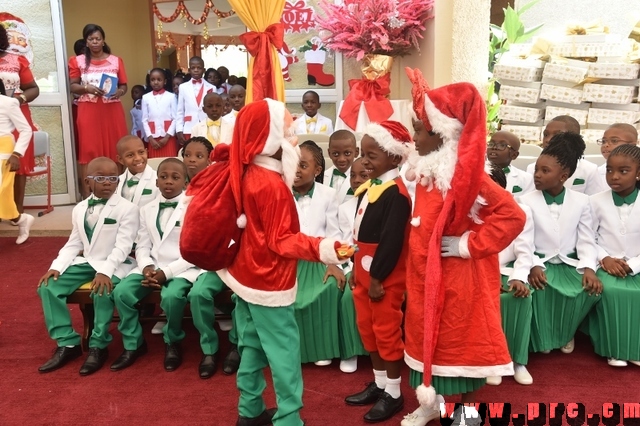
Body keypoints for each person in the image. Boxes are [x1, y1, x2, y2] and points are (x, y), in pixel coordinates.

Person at [400, 69, 525, 426]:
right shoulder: (427, 171)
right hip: (425, 277)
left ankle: (466, 414)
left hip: (461, 281)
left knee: (464, 348)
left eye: (420, 131)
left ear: (442, 136)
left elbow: (512, 216)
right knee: (427, 344)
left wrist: (468, 244)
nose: (414, 138)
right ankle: (430, 404)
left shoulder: (468, 177)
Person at [212, 98, 346, 425]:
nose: (294, 140)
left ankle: (250, 410)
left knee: (251, 345)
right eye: (288, 132)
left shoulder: (245, 172)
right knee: (284, 354)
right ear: (269, 137)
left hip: (243, 277)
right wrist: (327, 248)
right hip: (269, 281)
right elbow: (281, 240)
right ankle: (288, 419)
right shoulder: (271, 184)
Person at [37, 157, 139, 375]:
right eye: (100, 178)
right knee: (48, 286)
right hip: (88, 262)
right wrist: (57, 266)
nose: (107, 183)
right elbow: (74, 242)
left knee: (101, 289)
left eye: (113, 178)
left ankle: (98, 345)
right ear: (87, 182)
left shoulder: (127, 209)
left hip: (115, 264)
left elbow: (123, 247)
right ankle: (68, 343)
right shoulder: (80, 208)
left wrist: (104, 272)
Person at [344, 121, 413, 423]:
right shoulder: (370, 187)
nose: (364, 160)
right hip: (363, 270)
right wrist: (353, 267)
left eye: (372, 155)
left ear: (395, 158)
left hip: (382, 277)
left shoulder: (396, 195)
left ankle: (394, 393)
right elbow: (358, 232)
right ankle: (380, 382)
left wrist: (377, 278)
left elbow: (392, 241)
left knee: (386, 332)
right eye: (363, 153)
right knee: (367, 330)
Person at [111, 158, 201, 372]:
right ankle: (134, 344)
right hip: (151, 266)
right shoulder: (147, 209)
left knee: (171, 297)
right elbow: (142, 245)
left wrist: (166, 272)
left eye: (175, 177)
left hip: (182, 268)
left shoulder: (194, 207)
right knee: (122, 293)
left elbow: (195, 252)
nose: (168, 181)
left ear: (186, 182)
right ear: (156, 182)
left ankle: (173, 341)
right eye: (163, 177)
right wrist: (146, 267)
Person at [521, 132, 602, 356]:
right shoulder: (525, 201)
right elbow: (524, 239)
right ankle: (544, 336)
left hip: (568, 261)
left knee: (587, 289)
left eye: (545, 171)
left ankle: (567, 332)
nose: (537, 175)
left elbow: (586, 238)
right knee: (539, 287)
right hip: (540, 259)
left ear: (563, 176)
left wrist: (588, 267)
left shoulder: (582, 201)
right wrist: (534, 264)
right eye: (537, 169)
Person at [291, 140, 343, 367]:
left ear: (317, 170)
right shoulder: (279, 192)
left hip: (319, 258)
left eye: (303, 166)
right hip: (290, 259)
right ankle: (295, 350)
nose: (296, 171)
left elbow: (333, 231)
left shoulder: (328, 194)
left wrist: (333, 262)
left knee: (328, 288)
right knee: (291, 298)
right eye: (292, 165)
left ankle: (322, 347)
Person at [588, 144, 640, 367]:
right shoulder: (595, 201)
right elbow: (588, 237)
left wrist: (634, 265)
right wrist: (604, 258)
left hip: (636, 264)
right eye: (610, 170)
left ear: (638, 173)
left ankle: (634, 349)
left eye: (623, 171)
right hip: (606, 263)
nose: (614, 176)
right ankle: (614, 349)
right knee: (610, 291)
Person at [486, 166, 535, 387]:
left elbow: (526, 252)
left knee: (519, 296)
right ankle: (490, 361)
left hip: (507, 270)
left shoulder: (520, 210)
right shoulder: (465, 211)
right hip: (475, 272)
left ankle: (517, 361)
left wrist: (519, 278)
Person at [69, 24, 129, 198]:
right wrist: (87, 88)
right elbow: (73, 85)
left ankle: (117, 193)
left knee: (115, 148)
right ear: (86, 42)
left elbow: (124, 85)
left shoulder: (116, 60)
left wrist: (119, 92)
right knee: (88, 149)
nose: (95, 42)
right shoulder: (77, 61)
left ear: (103, 40)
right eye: (91, 39)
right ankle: (88, 194)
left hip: (112, 109)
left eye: (98, 38)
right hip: (88, 109)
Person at [0, 24, 39, 216]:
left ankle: (17, 210)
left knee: (17, 162)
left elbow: (33, 88)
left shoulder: (17, 60)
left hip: (16, 114)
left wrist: (18, 99)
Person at [337, 157, 369, 373]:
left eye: (363, 176)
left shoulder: (387, 201)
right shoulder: (345, 208)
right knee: (349, 297)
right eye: (352, 176)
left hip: (381, 267)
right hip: (355, 266)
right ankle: (352, 350)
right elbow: (345, 245)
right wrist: (349, 268)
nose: (356, 180)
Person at [526, 116, 605, 195]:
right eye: (546, 135)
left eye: (556, 135)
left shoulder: (589, 170)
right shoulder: (532, 168)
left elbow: (595, 200)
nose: (548, 140)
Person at [0, 82, 34, 244]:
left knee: (3, 192)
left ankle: (20, 219)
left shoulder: (8, 103)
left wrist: (16, 153)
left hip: (5, 151)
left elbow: (26, 129)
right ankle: (21, 220)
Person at [176, 57, 215, 146]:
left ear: (204, 70)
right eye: (193, 68)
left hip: (207, 126)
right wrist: (179, 130)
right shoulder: (183, 87)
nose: (196, 70)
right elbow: (180, 111)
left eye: (199, 68)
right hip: (189, 127)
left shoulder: (212, 87)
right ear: (189, 70)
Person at [141, 68, 178, 157]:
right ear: (149, 82)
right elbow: (144, 120)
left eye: (159, 79)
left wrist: (167, 137)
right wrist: (150, 138)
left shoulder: (171, 96)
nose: (156, 82)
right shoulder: (146, 97)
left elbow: (175, 118)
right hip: (153, 138)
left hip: (168, 137)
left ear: (164, 81)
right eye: (153, 80)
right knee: (155, 164)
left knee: (170, 162)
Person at [487, 130, 534, 198]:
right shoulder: (476, 174)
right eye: (491, 144)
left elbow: (527, 204)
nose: (494, 147)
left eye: (502, 145)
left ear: (514, 155)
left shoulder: (526, 179)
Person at [114, 135, 158, 207]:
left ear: (146, 152)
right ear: (120, 160)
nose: (137, 158)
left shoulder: (158, 179)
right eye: (130, 155)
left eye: (141, 152)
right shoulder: (117, 182)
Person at [596, 123, 638, 189]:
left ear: (632, 145)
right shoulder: (596, 173)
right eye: (604, 141)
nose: (606, 145)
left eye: (614, 141)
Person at [322, 129, 359, 205]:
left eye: (347, 153)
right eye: (336, 154)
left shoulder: (363, 178)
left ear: (356, 152)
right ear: (329, 153)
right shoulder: (322, 177)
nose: (341, 159)